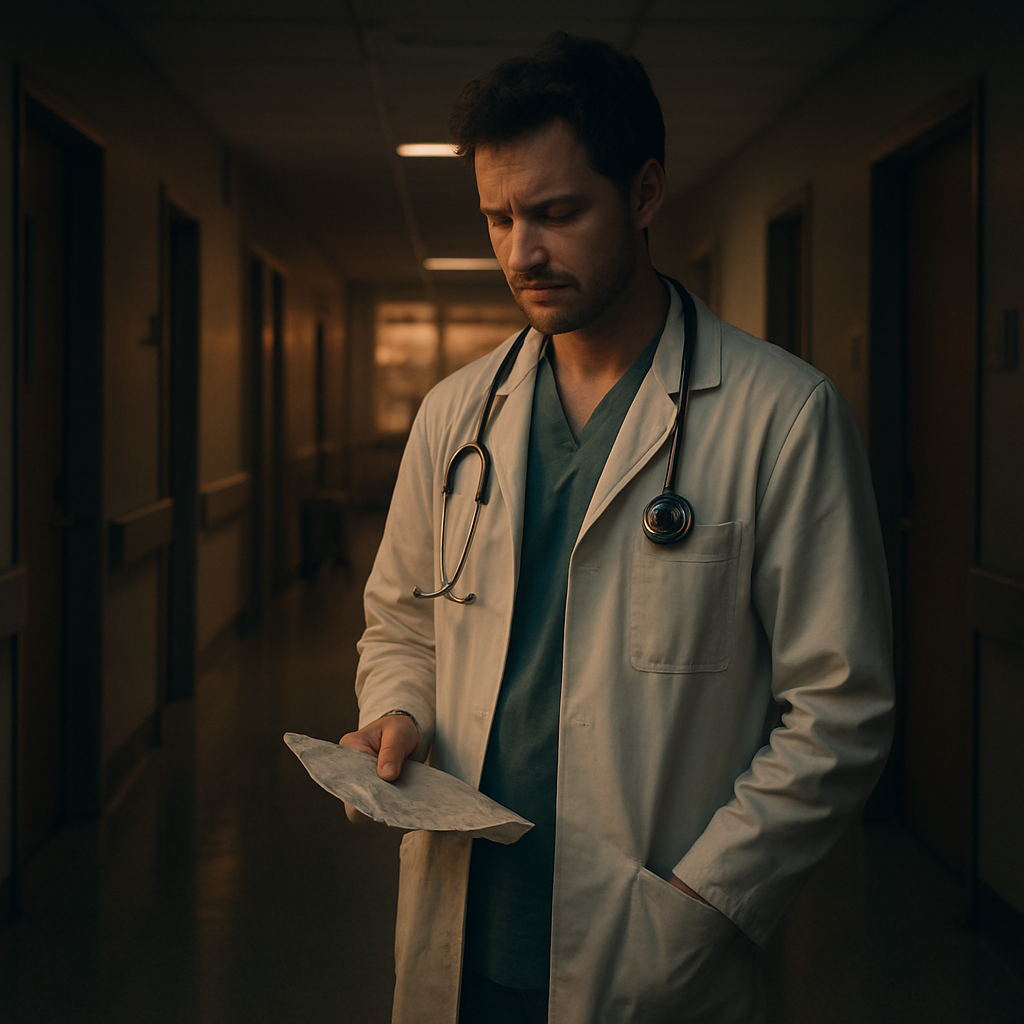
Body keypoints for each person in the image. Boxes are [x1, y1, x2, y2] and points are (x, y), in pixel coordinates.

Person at [340, 32, 894, 1024]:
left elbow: (838, 710)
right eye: (499, 218)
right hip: (463, 932)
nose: (522, 253)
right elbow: (401, 624)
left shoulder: (780, 417)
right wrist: (398, 713)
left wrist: (699, 901)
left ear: (643, 196)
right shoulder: (454, 414)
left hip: (650, 946)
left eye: (556, 213)